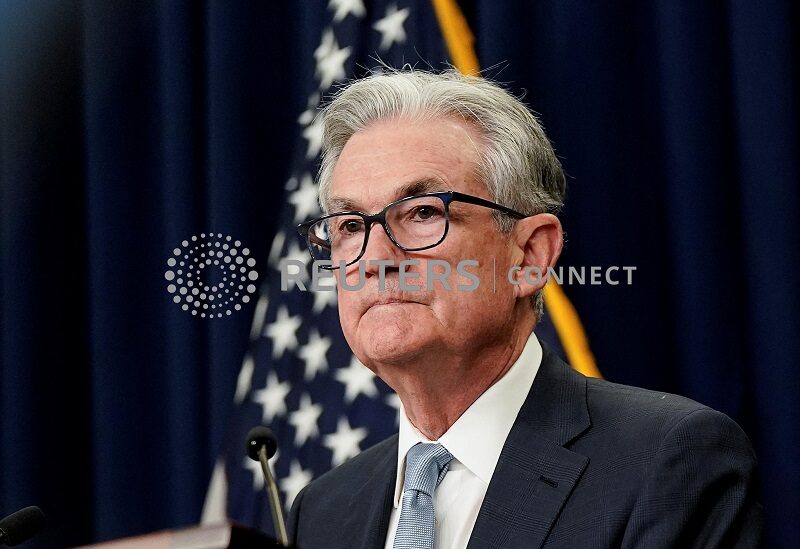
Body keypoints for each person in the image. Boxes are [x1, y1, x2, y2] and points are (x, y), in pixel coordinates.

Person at [289, 69, 762, 548]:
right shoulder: (323, 510)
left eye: (422, 213)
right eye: (349, 225)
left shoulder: (667, 462)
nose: (374, 259)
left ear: (531, 255)